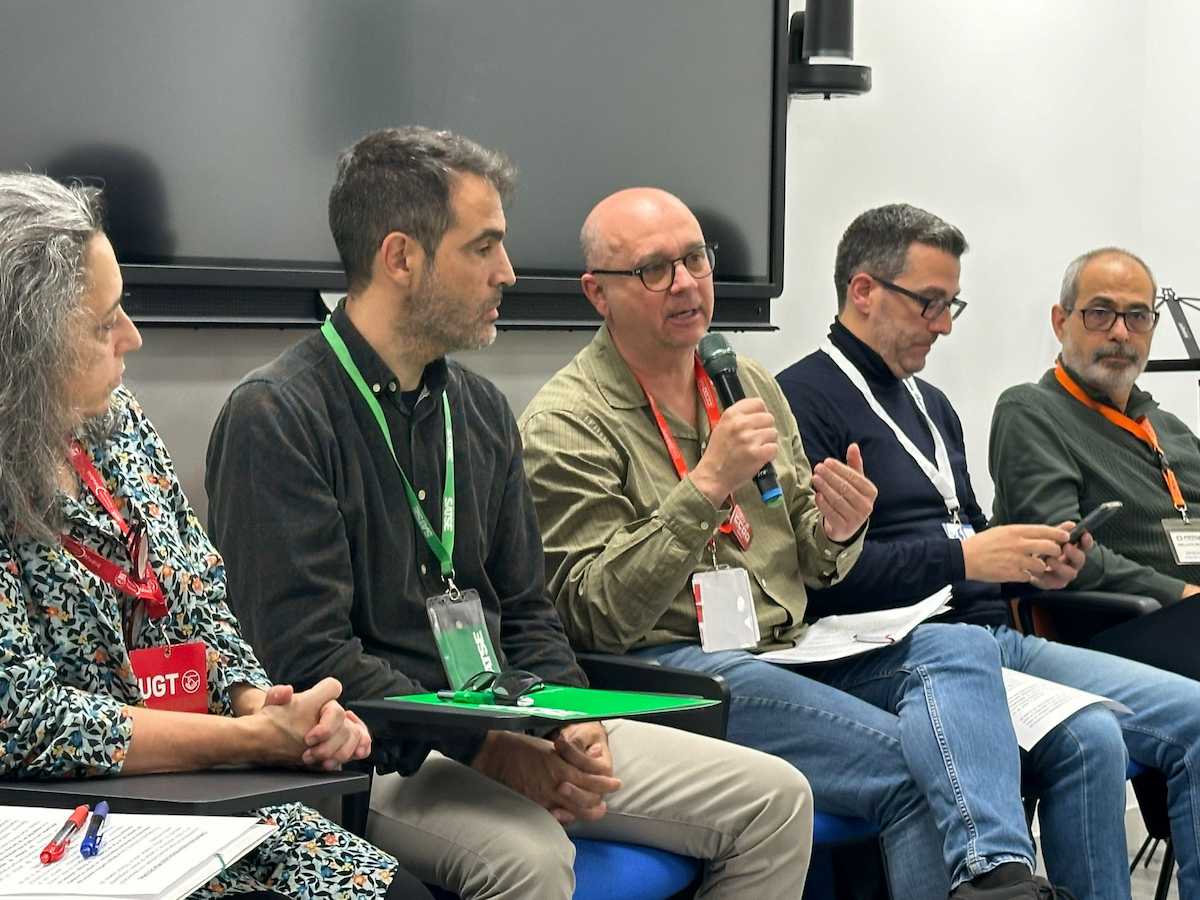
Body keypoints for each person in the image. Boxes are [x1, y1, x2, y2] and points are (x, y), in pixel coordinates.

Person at [205, 127, 813, 900]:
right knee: (525, 855)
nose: (509, 273)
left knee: (777, 799)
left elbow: (528, 610)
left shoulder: (480, 410)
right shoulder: (278, 416)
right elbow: (305, 660)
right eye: (483, 248)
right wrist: (489, 748)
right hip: (378, 750)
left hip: (511, 715)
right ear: (401, 258)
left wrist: (568, 722)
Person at [520, 186, 1080, 899]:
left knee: (957, 644)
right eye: (654, 270)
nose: (687, 283)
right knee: (915, 772)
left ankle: (995, 875)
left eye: (696, 258)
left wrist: (841, 530)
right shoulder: (567, 422)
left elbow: (810, 553)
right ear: (599, 293)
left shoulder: (742, 379)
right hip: (673, 674)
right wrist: (706, 487)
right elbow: (590, 615)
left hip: (792, 646)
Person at [0, 172, 428, 899]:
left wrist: (267, 704)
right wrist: (252, 742)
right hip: (63, 830)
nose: (131, 338)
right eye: (104, 325)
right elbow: (26, 720)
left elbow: (200, 603)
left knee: (394, 894)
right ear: (21, 346)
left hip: (206, 800)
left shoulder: (117, 420)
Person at [776, 204, 1200, 899]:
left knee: (1191, 718)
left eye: (952, 305)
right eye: (930, 303)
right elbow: (818, 585)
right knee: (1091, 739)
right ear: (863, 292)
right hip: (896, 649)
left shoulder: (933, 403)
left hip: (994, 634)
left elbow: (966, 530)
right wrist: (969, 562)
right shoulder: (803, 399)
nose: (943, 324)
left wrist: (1035, 566)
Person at [989, 246, 1200, 680]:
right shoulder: (1030, 411)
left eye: (1138, 316)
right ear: (1060, 321)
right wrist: (1180, 592)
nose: (1121, 333)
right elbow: (1060, 551)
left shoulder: (1170, 427)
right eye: (1101, 313)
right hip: (1120, 629)